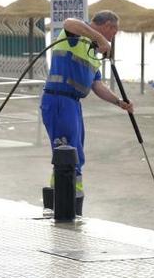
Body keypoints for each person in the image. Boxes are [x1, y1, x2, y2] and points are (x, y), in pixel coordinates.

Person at [41, 11, 134, 213]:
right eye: (114, 31)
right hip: (58, 99)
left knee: (75, 154)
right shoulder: (76, 34)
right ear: (108, 25)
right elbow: (69, 22)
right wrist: (99, 38)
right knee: (66, 152)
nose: (113, 36)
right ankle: (63, 205)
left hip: (73, 104)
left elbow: (97, 85)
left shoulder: (92, 51)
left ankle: (67, 201)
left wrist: (119, 101)